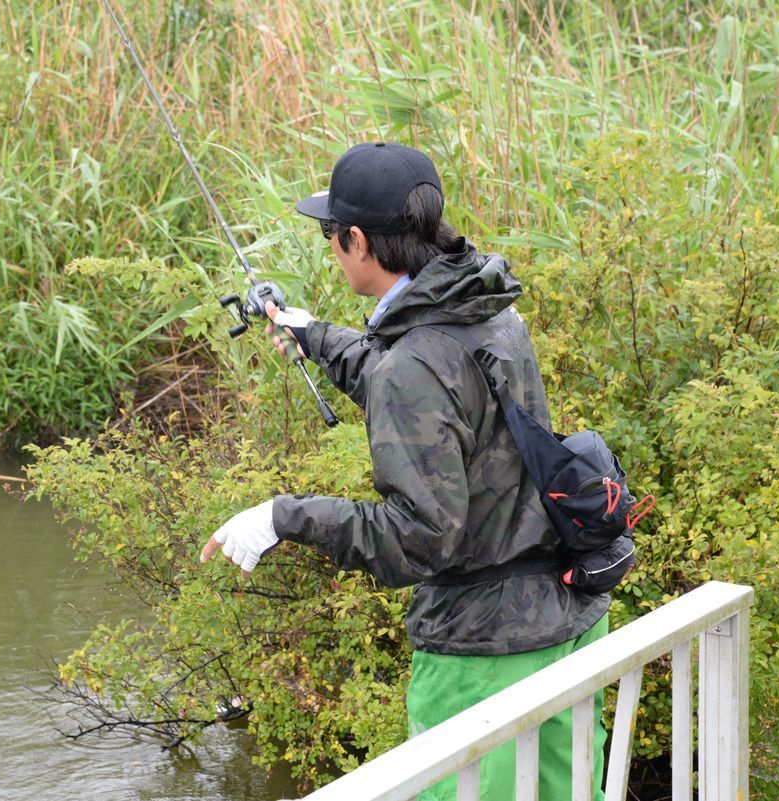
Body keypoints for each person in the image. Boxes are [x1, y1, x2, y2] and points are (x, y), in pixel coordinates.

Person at [199, 142, 608, 800]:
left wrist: (284, 517)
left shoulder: (412, 359)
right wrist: (312, 332)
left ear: (358, 240)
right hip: (570, 622)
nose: (332, 247)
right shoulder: (488, 307)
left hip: (485, 657)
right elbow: (434, 386)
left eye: (331, 234)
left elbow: (422, 536)